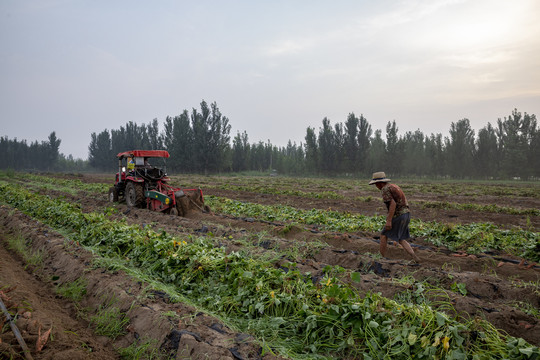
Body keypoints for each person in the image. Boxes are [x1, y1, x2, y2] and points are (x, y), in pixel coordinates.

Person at [369, 171, 420, 263]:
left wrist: (389, 220)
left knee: (384, 235)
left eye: (376, 184)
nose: (376, 186)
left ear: (379, 183)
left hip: (399, 215)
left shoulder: (385, 189)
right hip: (406, 214)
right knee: (400, 238)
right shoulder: (394, 186)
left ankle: (381, 258)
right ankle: (414, 256)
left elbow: (393, 204)